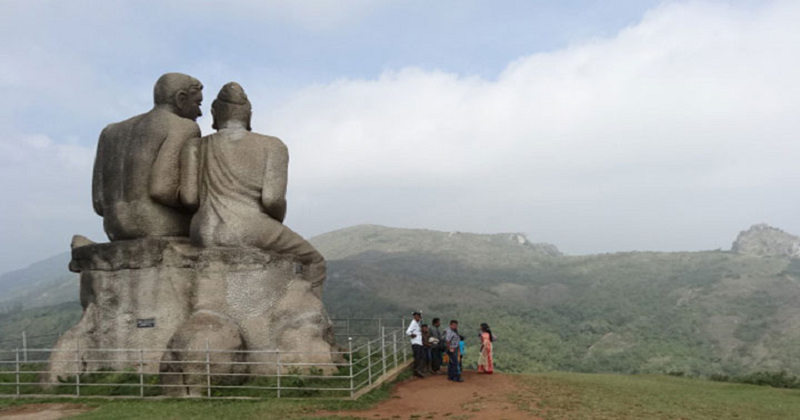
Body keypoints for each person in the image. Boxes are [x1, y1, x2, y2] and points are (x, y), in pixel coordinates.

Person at [179, 82, 327, 297]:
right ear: (248, 114)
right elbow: (273, 200)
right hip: (251, 227)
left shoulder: (194, 146)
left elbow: (190, 197)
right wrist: (274, 221)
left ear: (215, 113)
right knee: (313, 260)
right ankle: (306, 312)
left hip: (202, 230)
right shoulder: (272, 145)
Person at [92, 73, 203, 241]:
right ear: (181, 99)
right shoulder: (183, 127)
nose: (199, 112)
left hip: (113, 226)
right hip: (160, 224)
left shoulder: (111, 132)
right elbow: (162, 189)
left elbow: (99, 203)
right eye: (197, 103)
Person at [405, 311, 425, 377]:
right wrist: (412, 335)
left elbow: (421, 321)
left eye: (417, 316)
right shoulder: (413, 323)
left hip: (419, 342)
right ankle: (416, 371)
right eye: (415, 316)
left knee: (420, 356)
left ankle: (418, 370)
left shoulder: (417, 322)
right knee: (418, 357)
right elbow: (408, 331)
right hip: (416, 342)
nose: (416, 317)